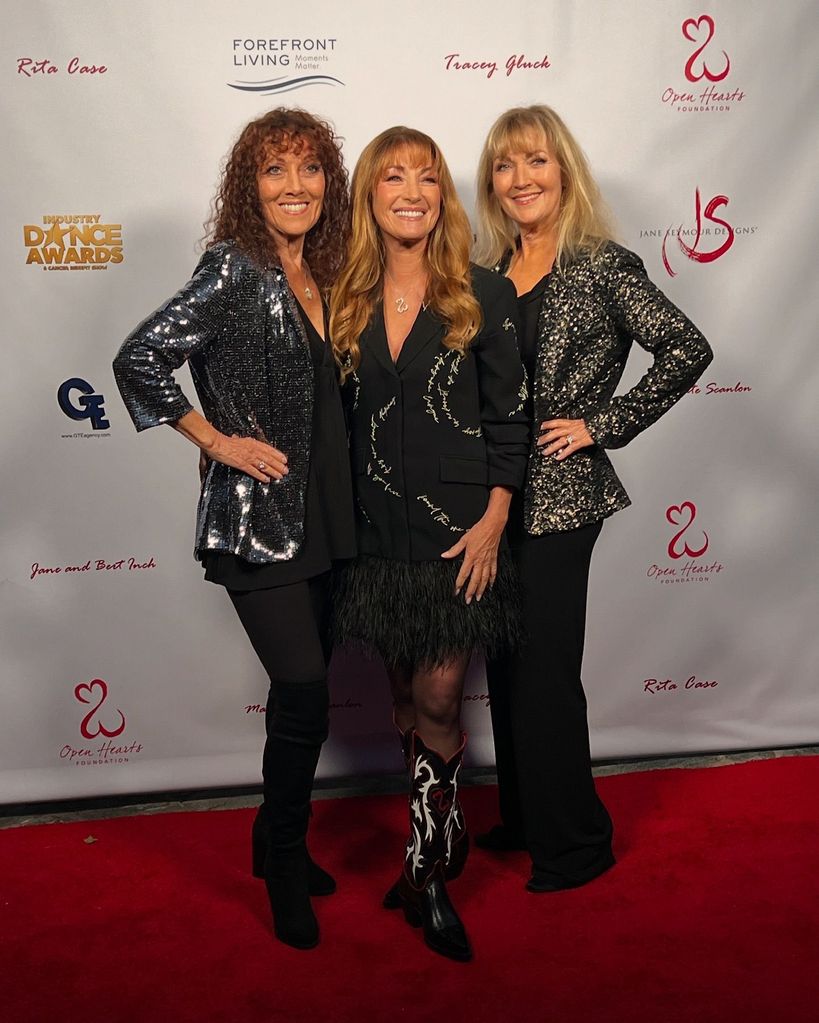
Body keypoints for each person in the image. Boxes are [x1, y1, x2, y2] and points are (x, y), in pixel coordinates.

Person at [113, 108, 354, 950]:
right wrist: (213, 439)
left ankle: (268, 837)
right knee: (304, 694)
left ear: (331, 180)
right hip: (257, 522)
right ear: (248, 188)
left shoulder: (323, 269)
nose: (296, 187)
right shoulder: (234, 267)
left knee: (306, 695)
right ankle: (283, 857)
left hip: (328, 514)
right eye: (274, 172)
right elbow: (138, 355)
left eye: (310, 169)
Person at [474, 104, 713, 893]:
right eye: (505, 166)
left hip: (563, 498)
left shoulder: (601, 265)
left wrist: (602, 423)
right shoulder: (489, 270)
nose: (520, 179)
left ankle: (575, 844)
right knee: (505, 665)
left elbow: (687, 347)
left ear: (564, 171)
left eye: (535, 161)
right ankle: (523, 816)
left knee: (544, 671)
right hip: (491, 499)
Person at [330, 127, 528, 962]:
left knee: (442, 701)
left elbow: (509, 416)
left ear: (442, 196)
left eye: (427, 177)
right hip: (377, 537)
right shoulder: (340, 297)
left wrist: (493, 519)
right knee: (407, 703)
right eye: (392, 176)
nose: (411, 190)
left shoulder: (484, 293)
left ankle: (429, 872)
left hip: (459, 537)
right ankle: (430, 850)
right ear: (369, 194)